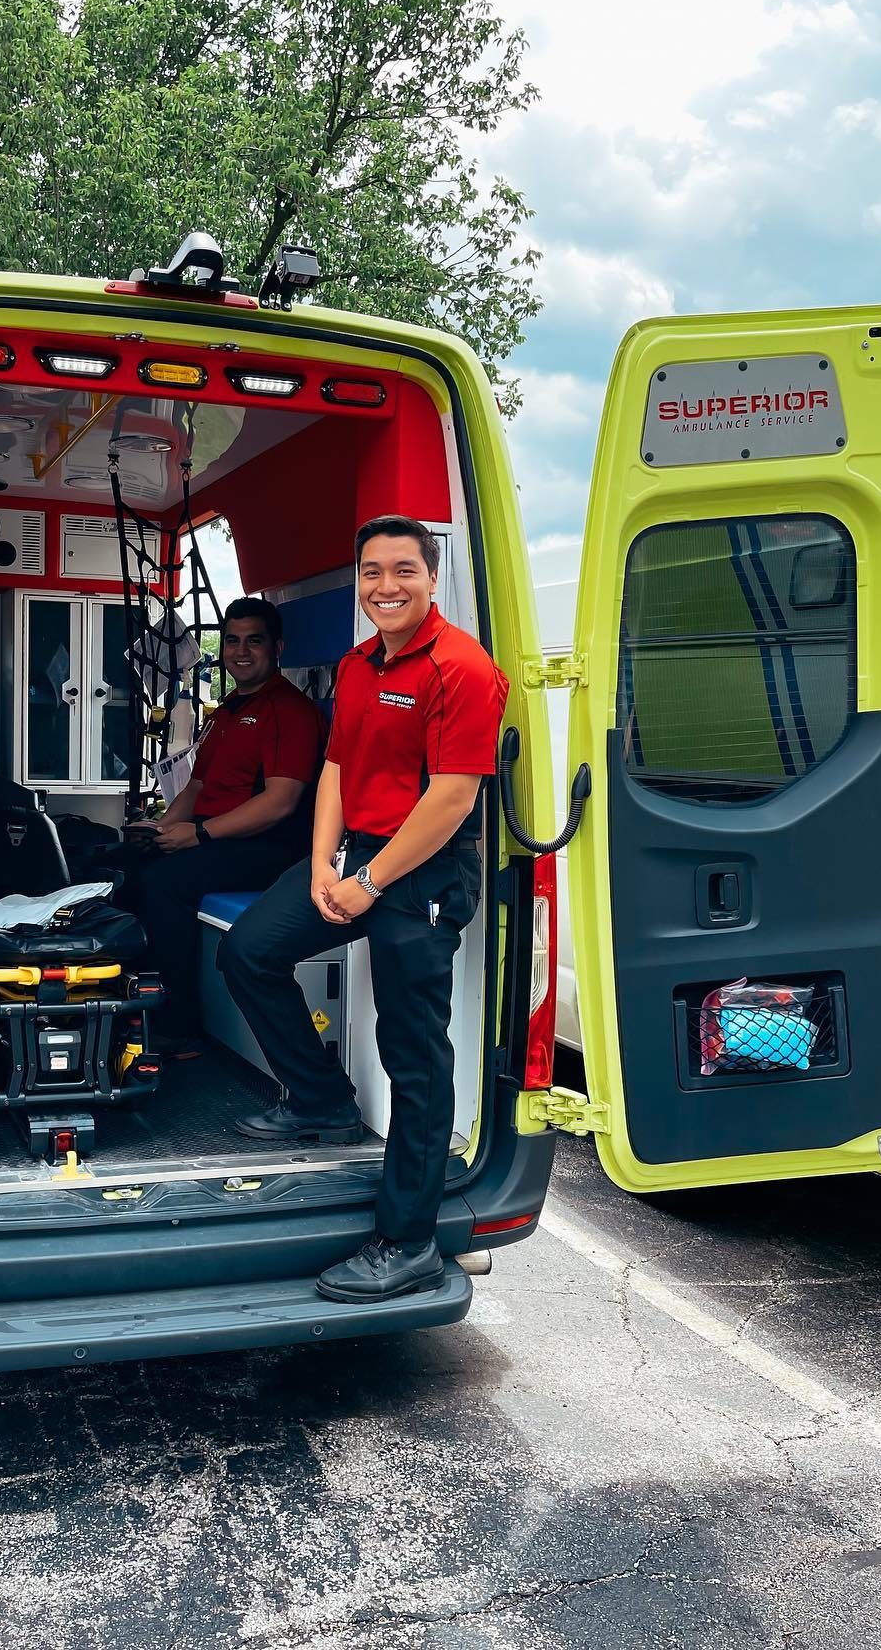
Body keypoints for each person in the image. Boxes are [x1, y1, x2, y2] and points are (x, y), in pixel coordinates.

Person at [218, 516, 509, 1304]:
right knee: (249, 951)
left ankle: (408, 1240)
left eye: (404, 571)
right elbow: (339, 764)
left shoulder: (462, 668)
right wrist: (320, 862)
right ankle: (321, 1101)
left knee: (413, 1054)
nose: (387, 586)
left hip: (421, 870)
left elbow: (452, 799)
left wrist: (370, 883)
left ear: (431, 576)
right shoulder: (355, 664)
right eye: (373, 572)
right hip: (356, 853)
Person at [125, 597, 325, 1051]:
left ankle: (178, 1027)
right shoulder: (229, 709)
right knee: (120, 864)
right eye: (232, 640)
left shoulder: (288, 712)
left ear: (278, 647)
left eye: (254, 641)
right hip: (215, 837)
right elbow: (196, 787)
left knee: (165, 883)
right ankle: (125, 1003)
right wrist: (159, 829)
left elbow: (280, 803)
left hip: (270, 847)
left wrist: (196, 835)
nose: (241, 651)